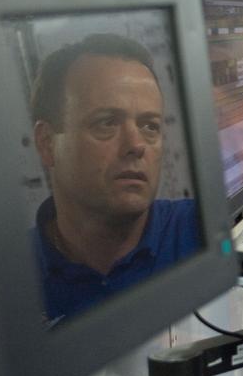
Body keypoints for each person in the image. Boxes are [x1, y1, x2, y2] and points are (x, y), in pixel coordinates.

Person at [30, 33, 200, 323]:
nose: (136, 145)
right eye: (107, 123)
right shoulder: (3, 285)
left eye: (150, 126)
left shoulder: (201, 231)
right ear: (47, 143)